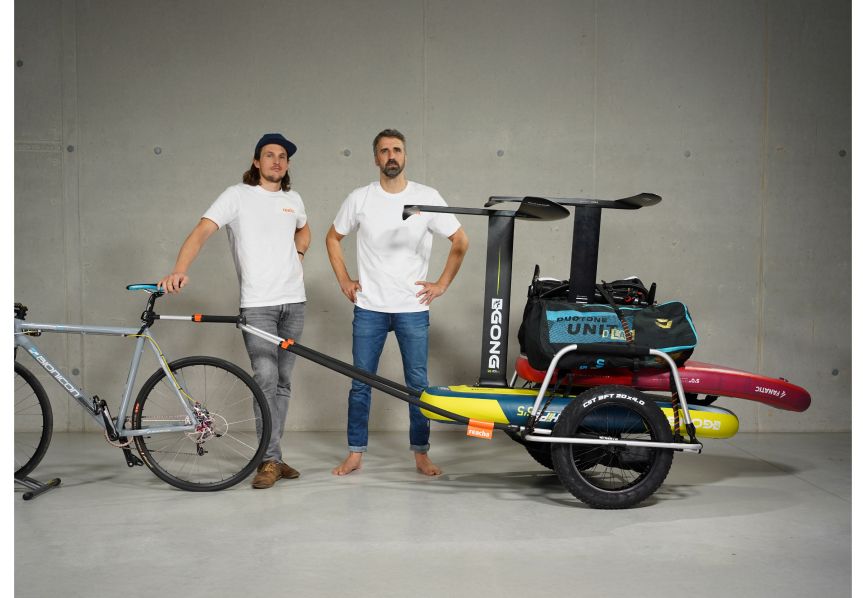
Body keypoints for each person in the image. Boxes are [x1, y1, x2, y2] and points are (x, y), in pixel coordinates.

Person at [158, 133, 309, 490]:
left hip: (295, 302)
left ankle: (273, 455)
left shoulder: (293, 199)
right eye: (269, 155)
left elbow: (304, 232)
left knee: (283, 383)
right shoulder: (237, 196)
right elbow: (201, 231)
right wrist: (180, 268)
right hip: (258, 305)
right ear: (256, 162)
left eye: (282, 157)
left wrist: (298, 257)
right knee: (265, 378)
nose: (276, 161)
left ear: (287, 165)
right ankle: (268, 459)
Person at [326, 128, 469, 477]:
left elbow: (460, 240)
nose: (391, 156)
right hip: (370, 307)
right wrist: (344, 280)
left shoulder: (426, 196)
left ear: (405, 156)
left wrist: (442, 284)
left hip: (413, 309)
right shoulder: (360, 198)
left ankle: (421, 454)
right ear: (376, 158)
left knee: (417, 386)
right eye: (384, 151)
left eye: (397, 150)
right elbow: (332, 238)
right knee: (361, 383)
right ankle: (355, 453)